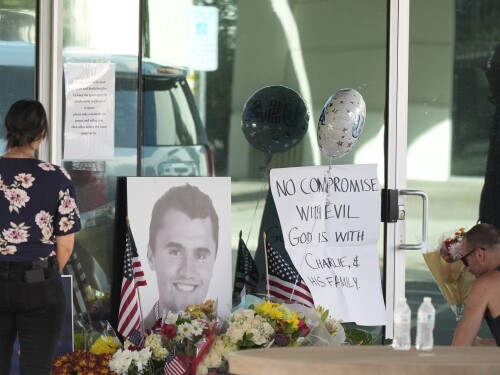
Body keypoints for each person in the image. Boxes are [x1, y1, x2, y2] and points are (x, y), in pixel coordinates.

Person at [0, 99, 81, 374]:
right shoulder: (56, 177)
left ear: (7, 129)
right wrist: (45, 278)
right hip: (38, 282)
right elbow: (66, 246)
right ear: (41, 134)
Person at [143, 183, 218, 329]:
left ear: (214, 260)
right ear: (151, 256)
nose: (187, 272)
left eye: (200, 255)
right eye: (175, 252)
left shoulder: (230, 337)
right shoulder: (132, 339)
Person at [452, 222, 500, 346]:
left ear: (479, 254)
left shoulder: (487, 284)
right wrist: (482, 344)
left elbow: (459, 349)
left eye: (465, 260)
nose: (468, 269)